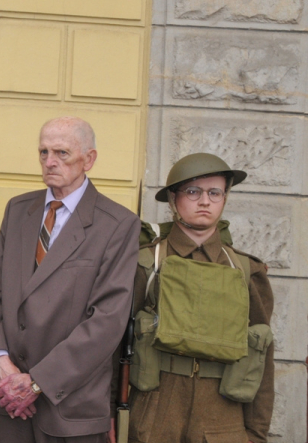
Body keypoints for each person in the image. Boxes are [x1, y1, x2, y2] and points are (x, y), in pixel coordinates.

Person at [0, 116, 141, 443]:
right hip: (11, 403)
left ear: (89, 159)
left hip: (70, 410)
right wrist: (1, 364)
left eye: (62, 153)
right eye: (43, 152)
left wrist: (36, 382)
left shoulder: (118, 225)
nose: (50, 162)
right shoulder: (18, 210)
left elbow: (107, 322)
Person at [112, 153, 273, 443]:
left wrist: (256, 432)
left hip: (223, 419)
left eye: (215, 192)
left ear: (224, 198)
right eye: (193, 191)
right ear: (174, 199)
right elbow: (114, 345)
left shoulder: (247, 271)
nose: (204, 201)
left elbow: (262, 351)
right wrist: (109, 415)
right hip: (153, 417)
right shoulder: (146, 263)